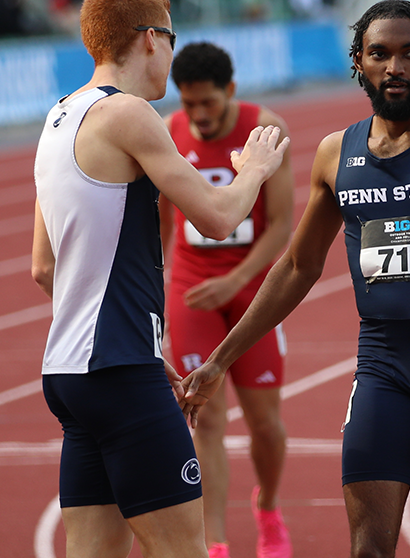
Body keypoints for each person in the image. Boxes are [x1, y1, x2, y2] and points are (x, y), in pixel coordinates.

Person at [180, 0, 410, 558]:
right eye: (380, 53)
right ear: (359, 63)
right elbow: (298, 266)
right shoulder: (335, 156)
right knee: (369, 547)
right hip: (384, 365)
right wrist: (220, 361)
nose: (395, 66)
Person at [32, 0, 289, 558]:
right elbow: (219, 217)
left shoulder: (57, 119)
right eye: (171, 42)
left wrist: (141, 351)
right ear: (150, 39)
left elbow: (42, 266)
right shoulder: (128, 114)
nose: (170, 60)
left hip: (70, 373)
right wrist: (254, 167)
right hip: (118, 371)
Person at [160, 42, 295, 558]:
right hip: (192, 293)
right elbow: (160, 225)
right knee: (205, 419)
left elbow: (280, 223)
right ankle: (215, 541)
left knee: (265, 422)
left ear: (230, 92)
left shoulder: (267, 128)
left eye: (209, 104)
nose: (198, 116)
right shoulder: (167, 131)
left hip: (252, 293)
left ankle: (269, 507)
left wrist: (236, 280)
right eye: (189, 104)